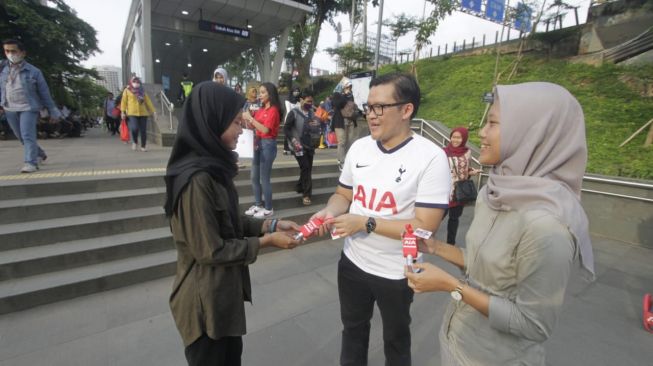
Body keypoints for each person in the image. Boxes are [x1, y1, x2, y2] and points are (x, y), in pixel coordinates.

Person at [405, 82, 594, 365]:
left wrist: (451, 286)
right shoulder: (493, 192)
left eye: (493, 122)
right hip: (455, 341)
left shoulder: (548, 226)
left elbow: (534, 324)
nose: (481, 132)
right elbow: (488, 270)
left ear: (532, 134)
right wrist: (435, 247)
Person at [311, 73, 451, 366]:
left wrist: (364, 222)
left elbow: (425, 226)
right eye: (368, 107)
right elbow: (343, 194)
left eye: (379, 108)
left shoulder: (431, 158)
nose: (371, 115)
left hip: (397, 273)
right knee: (352, 332)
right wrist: (329, 211)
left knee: (396, 342)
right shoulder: (360, 148)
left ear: (406, 109)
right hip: (352, 263)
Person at [164, 81, 301, 366]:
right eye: (237, 123)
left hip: (222, 299)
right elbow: (210, 250)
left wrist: (270, 226)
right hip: (204, 308)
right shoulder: (196, 180)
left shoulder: (212, 168)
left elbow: (226, 219)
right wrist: (267, 242)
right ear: (211, 122)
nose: (242, 130)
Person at [0, 38, 61, 173]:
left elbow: (44, 93)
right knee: (21, 137)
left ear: (22, 53)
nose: (10, 54)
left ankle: (30, 163)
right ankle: (39, 153)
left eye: (13, 51)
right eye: (7, 51)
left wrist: (52, 111)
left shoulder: (34, 71)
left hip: (28, 107)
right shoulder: (2, 68)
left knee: (28, 135)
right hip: (9, 107)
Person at [242, 82, 283, 218]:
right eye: (259, 92)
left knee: (264, 178)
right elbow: (255, 126)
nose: (260, 95)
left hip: (268, 144)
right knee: (254, 176)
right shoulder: (261, 109)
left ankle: (268, 208)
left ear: (270, 94)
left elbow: (265, 129)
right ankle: (258, 204)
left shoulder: (273, 110)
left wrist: (251, 120)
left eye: (263, 92)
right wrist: (247, 119)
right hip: (258, 143)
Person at [442, 127, 480, 245]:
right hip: (444, 191)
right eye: (454, 137)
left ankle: (450, 243)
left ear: (464, 139)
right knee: (437, 217)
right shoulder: (443, 152)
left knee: (454, 219)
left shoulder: (467, 152)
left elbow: (465, 170)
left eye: (459, 137)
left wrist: (470, 172)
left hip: (459, 192)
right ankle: (425, 240)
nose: (455, 140)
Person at [283, 89, 320, 206]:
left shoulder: (311, 113)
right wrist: (293, 140)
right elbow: (286, 128)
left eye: (311, 101)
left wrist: (317, 124)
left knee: (307, 168)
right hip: (297, 146)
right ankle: (306, 194)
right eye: (308, 101)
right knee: (306, 167)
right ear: (301, 100)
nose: (310, 103)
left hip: (310, 145)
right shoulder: (293, 113)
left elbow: (317, 125)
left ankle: (299, 186)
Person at [121, 76, 156, 152]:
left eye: (138, 82)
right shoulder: (127, 90)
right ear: (131, 82)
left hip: (143, 113)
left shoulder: (142, 91)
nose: (136, 84)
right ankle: (135, 141)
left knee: (143, 130)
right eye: (134, 82)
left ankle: (143, 146)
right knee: (134, 128)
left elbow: (148, 101)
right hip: (132, 113)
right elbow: (123, 102)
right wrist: (123, 112)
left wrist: (153, 111)